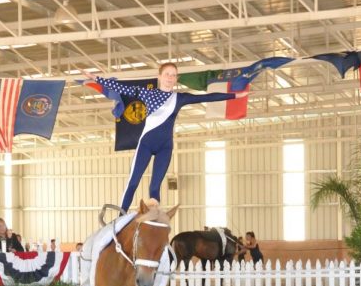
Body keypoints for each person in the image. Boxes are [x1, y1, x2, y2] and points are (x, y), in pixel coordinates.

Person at [83, 63, 249, 212]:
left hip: (165, 147)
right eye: (167, 74)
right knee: (133, 182)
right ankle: (120, 219)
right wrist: (97, 79)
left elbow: (206, 97)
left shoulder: (180, 98)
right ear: (159, 76)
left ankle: (153, 222)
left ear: (176, 79)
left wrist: (235, 96)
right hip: (146, 145)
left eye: (173, 75)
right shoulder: (147, 93)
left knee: (155, 188)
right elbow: (119, 87)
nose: (170, 77)